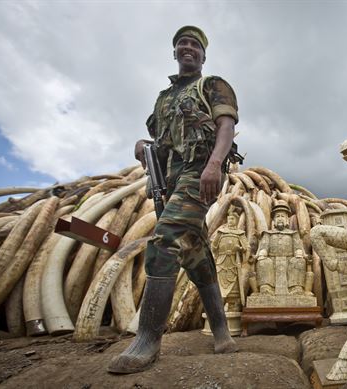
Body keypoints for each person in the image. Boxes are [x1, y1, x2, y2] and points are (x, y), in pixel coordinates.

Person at [108, 26, 240, 374]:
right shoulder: (163, 99)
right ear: (175, 52)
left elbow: (225, 127)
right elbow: (161, 141)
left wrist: (214, 165)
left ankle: (147, 341)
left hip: (201, 172)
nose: (187, 48)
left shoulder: (211, 85)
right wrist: (142, 144)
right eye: (182, 43)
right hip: (170, 180)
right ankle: (222, 331)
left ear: (202, 54)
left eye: (194, 44)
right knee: (195, 252)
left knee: (165, 241)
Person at [210, 206, 250, 312]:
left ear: (236, 221)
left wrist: (240, 249)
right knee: (219, 288)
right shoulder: (221, 232)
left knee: (234, 290)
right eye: (229, 219)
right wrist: (215, 250)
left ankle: (232, 309)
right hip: (221, 262)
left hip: (233, 262)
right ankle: (217, 311)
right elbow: (213, 247)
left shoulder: (240, 234)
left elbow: (247, 248)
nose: (230, 221)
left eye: (232, 219)